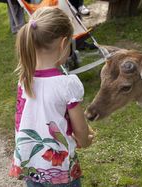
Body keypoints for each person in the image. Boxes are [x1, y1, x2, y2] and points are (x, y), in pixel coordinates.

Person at [9, 7, 94, 187]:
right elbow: (80, 129)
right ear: (64, 44)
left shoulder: (24, 79)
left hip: (30, 164)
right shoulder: (67, 84)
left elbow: (22, 119)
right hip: (59, 168)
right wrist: (86, 140)